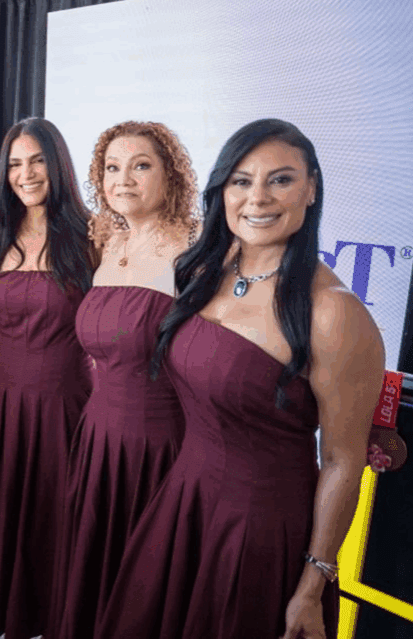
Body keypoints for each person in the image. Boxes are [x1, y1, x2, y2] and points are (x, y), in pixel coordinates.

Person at [97, 118, 385, 639]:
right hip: (181, 504)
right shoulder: (208, 270)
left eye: (281, 179)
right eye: (241, 181)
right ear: (221, 189)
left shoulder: (333, 313)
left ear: (312, 188)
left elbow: (344, 460)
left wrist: (313, 583)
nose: (258, 198)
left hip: (258, 534)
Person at [49, 121, 199, 639]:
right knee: (93, 569)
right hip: (97, 436)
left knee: (140, 585)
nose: (124, 178)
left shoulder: (194, 255)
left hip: (161, 445)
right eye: (112, 167)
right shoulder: (109, 245)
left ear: (170, 176)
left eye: (141, 165)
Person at [0, 116, 95, 639]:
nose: (25, 173)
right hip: (2, 399)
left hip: (65, 403)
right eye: (15, 163)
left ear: (57, 164)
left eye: (37, 160)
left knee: (54, 520)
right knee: (6, 517)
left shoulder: (90, 236)